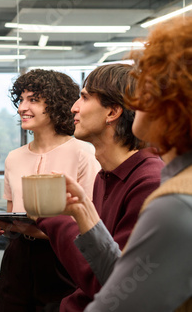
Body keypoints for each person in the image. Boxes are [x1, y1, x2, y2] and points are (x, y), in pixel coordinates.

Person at [64, 16, 192, 311]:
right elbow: (126, 276)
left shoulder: (174, 201)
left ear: (176, 102)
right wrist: (82, 210)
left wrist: (54, 220)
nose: (137, 99)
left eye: (147, 87)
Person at [29, 64, 164, 311]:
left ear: (112, 112)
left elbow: (112, 283)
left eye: (85, 97)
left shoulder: (149, 183)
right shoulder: (105, 176)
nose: (74, 107)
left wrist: (51, 218)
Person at [0, 69, 101, 311]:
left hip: (63, 258)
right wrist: (0, 227)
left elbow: (92, 225)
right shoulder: (14, 158)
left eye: (33, 100)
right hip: (18, 257)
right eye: (21, 100)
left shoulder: (84, 153)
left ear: (56, 104)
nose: (21, 108)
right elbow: (12, 219)